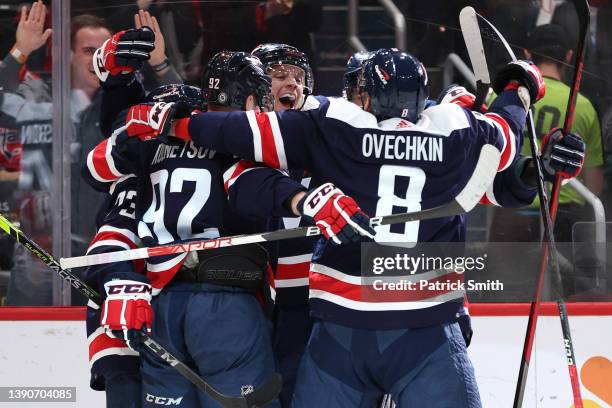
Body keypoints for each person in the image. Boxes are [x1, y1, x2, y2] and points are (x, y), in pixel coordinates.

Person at [115, 47, 554, 406]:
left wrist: (177, 124)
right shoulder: (460, 130)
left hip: (337, 326)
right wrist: (518, 89)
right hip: (424, 324)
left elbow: (237, 138)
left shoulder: (330, 126)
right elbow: (507, 137)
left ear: (367, 95)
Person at [82, 50, 319, 407]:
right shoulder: (240, 145)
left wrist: (131, 127)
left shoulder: (150, 149)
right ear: (251, 98)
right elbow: (255, 185)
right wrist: (306, 201)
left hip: (161, 303)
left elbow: (94, 172)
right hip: (227, 302)